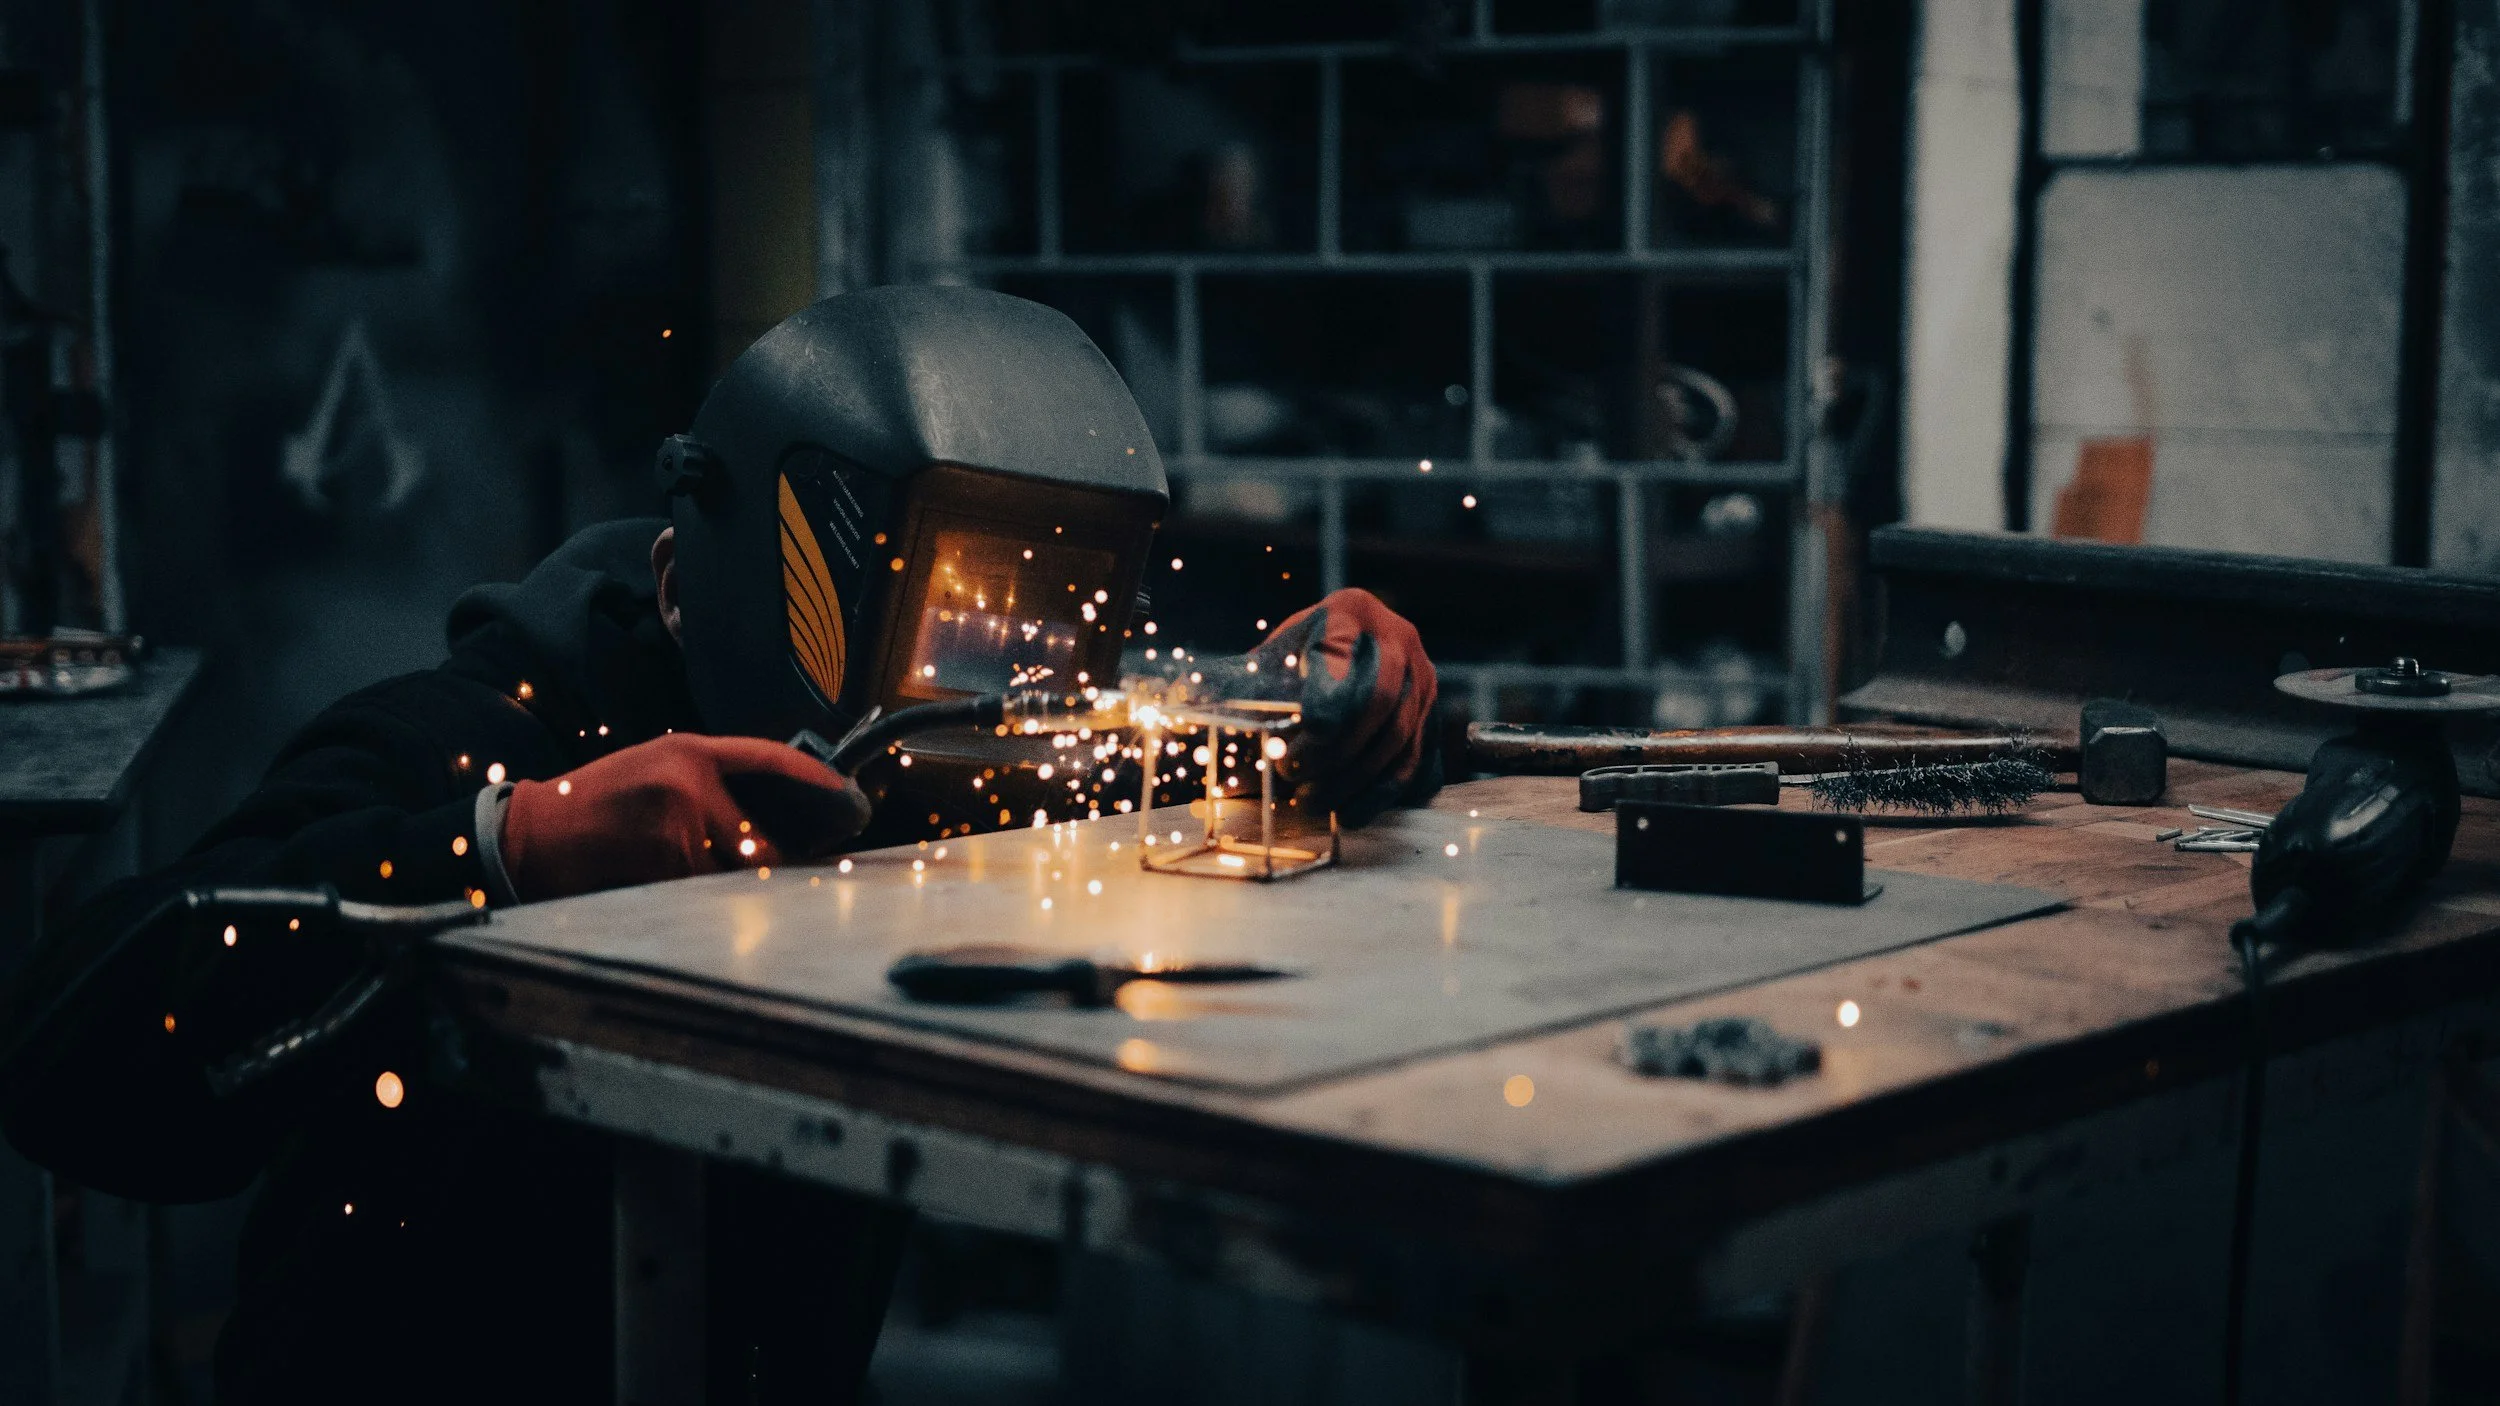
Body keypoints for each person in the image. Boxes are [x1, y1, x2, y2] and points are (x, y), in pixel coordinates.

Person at [0, 287, 1439, 1404]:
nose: (994, 676)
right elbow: (64, 1054)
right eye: (952, 605)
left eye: (1036, 614)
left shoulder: (980, 765)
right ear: (695, 581)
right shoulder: (475, 735)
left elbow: (1241, 768)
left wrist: (1347, 708)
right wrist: (518, 845)